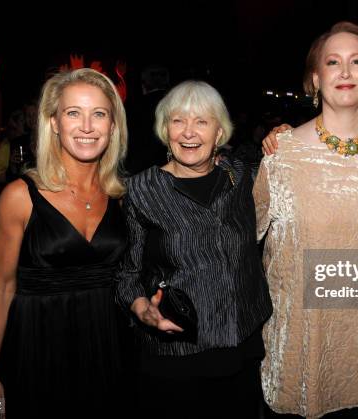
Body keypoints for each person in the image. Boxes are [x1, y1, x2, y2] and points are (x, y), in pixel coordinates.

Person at [254, 22, 358, 418]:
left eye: (356, 61)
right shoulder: (281, 153)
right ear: (315, 79)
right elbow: (241, 241)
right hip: (306, 350)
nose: (345, 71)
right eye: (333, 62)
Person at [115, 80, 272, 419]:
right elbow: (126, 274)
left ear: (219, 132)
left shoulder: (243, 177)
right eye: (178, 121)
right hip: (177, 350)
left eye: (201, 121)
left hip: (240, 345)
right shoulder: (141, 190)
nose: (189, 132)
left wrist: (284, 134)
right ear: (164, 130)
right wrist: (142, 308)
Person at [0, 68, 128, 417]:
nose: (87, 126)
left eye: (99, 114)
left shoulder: (121, 196)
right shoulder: (20, 196)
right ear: (54, 123)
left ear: (113, 126)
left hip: (107, 341)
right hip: (36, 342)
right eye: (73, 112)